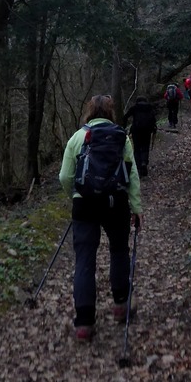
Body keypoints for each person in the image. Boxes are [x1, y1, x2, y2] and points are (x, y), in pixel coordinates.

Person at [59, 95, 142, 342]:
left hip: (84, 204)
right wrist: (136, 207)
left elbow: (64, 176)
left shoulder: (77, 137)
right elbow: (132, 174)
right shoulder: (121, 137)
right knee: (119, 251)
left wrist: (75, 195)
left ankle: (84, 323)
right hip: (116, 203)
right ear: (110, 112)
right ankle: (121, 305)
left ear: (89, 112)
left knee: (84, 259)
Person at [123, 95, 157, 177]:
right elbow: (153, 119)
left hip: (136, 130)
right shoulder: (150, 107)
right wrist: (153, 128)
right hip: (147, 131)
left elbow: (126, 116)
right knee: (145, 146)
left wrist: (124, 127)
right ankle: (144, 162)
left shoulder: (135, 107)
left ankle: (138, 167)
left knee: (137, 148)